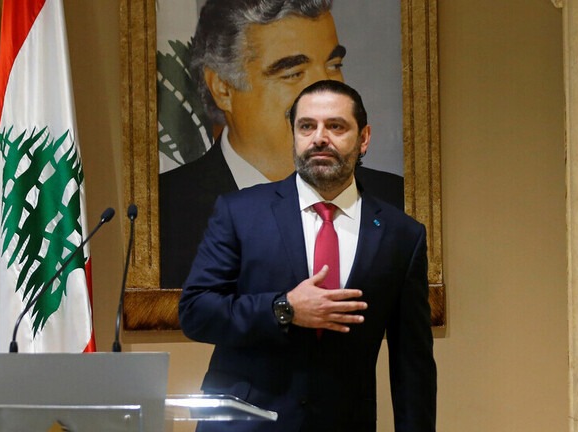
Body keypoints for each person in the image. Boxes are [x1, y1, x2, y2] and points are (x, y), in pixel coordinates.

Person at [178, 80, 436, 432]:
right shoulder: (240, 212)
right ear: (295, 136)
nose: (319, 138)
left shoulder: (401, 235)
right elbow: (196, 313)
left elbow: (413, 364)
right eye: (306, 126)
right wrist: (283, 309)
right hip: (244, 425)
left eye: (336, 126)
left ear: (363, 138)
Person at [159, 0, 404, 287]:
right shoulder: (165, 211)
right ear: (223, 88)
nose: (325, 92)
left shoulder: (393, 199)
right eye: (293, 73)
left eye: (333, 65)